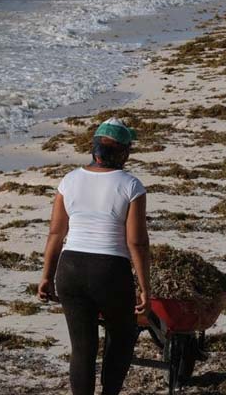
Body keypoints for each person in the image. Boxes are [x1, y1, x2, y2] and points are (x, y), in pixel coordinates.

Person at [38, 118, 150, 395]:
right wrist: (145, 288)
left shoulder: (69, 180)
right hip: (109, 271)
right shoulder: (131, 185)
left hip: (70, 269)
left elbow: (55, 234)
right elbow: (136, 242)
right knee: (122, 338)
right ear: (123, 152)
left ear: (95, 149)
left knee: (82, 349)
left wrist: (46, 276)